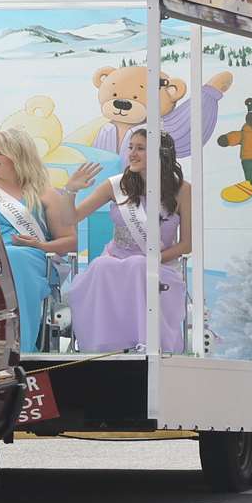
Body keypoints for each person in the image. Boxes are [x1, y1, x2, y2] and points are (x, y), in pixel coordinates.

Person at [68, 129, 194, 354]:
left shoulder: (182, 190)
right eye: (131, 147)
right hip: (115, 262)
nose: (132, 154)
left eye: (140, 148)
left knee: (139, 265)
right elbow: (73, 217)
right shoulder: (116, 185)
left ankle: (145, 344)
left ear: (160, 155)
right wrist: (70, 190)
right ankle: (102, 347)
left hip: (159, 267)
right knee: (101, 265)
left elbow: (187, 244)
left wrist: (153, 259)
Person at [0, 127, 98, 353]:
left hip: (31, 259)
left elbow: (70, 242)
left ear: (18, 155)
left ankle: (21, 347)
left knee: (15, 257)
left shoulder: (45, 194)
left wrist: (39, 244)